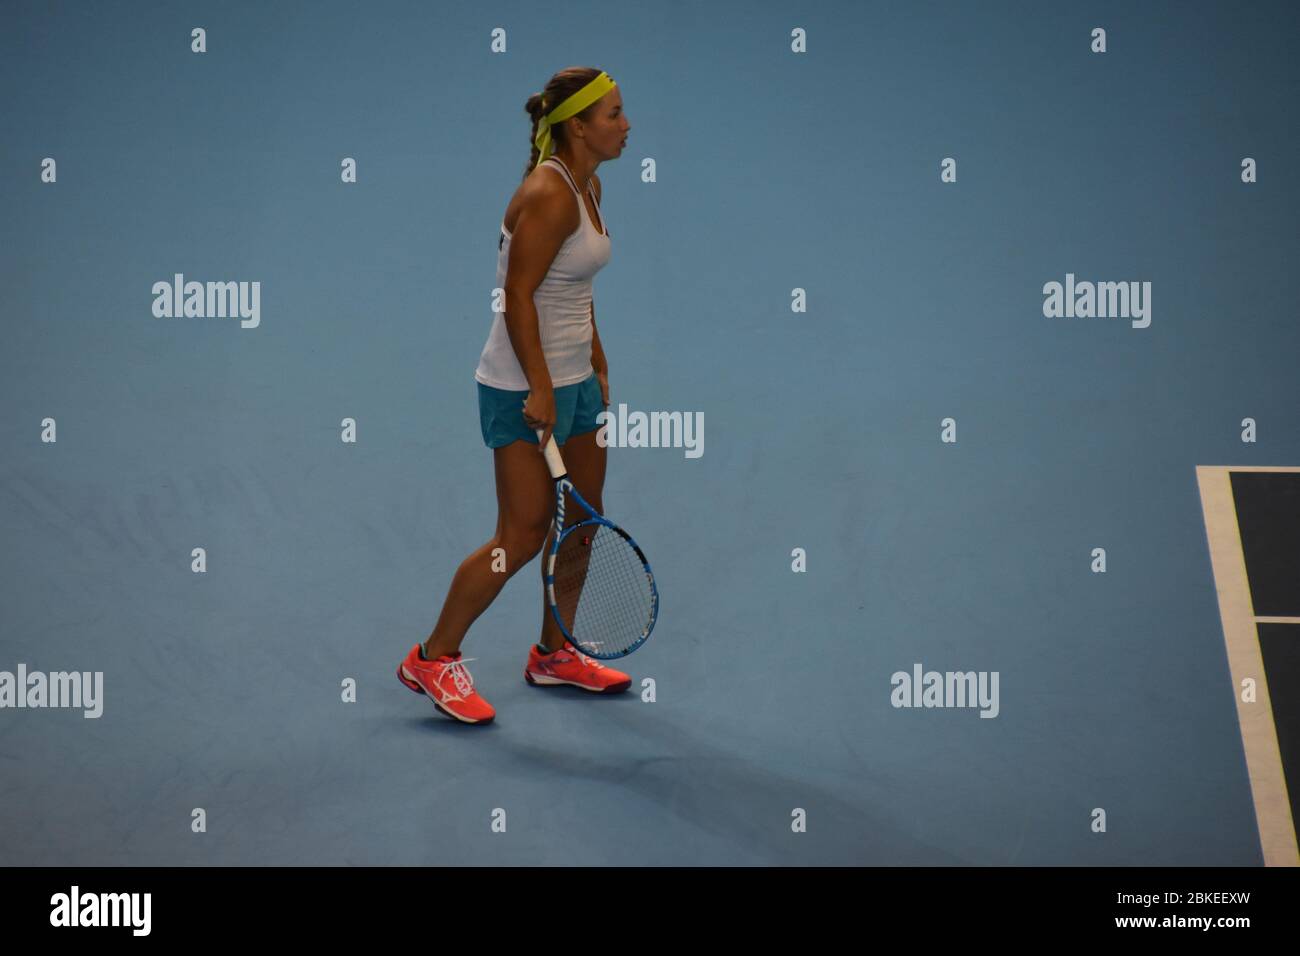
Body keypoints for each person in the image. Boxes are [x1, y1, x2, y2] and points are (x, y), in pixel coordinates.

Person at [397, 68, 633, 724]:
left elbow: (574, 289)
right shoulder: (548, 195)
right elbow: (516, 298)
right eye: (614, 114)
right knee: (523, 533)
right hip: (519, 387)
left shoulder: (591, 183)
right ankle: (432, 656)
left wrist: (596, 361)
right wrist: (539, 389)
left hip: (574, 382)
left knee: (582, 521)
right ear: (578, 126)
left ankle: (554, 655)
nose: (627, 124)